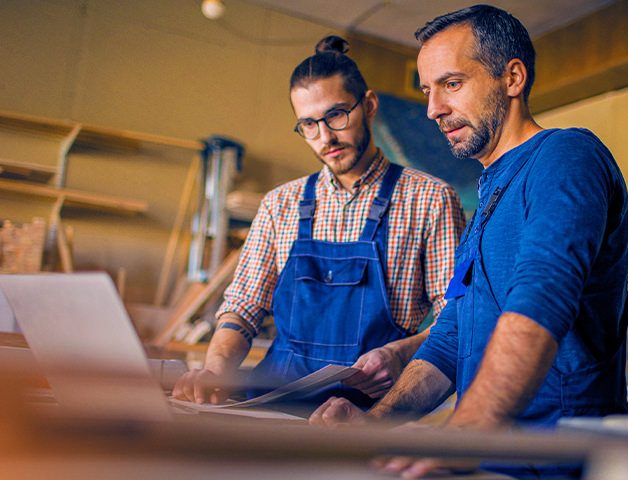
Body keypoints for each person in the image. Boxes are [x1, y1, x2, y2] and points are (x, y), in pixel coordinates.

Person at [309, 5, 628, 478]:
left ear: (513, 78)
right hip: (488, 459)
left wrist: (462, 432)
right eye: (427, 90)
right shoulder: (489, 197)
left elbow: (542, 300)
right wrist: (373, 424)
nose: (433, 109)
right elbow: (451, 337)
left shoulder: (565, 156)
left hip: (556, 463)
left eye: (452, 84)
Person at [172, 35, 465, 410]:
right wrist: (214, 370)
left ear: (369, 105)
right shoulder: (281, 204)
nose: (325, 137)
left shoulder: (429, 199)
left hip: (370, 413)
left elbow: (455, 319)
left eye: (336, 115)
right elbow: (244, 307)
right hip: (271, 402)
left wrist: (398, 353)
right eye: (308, 125)